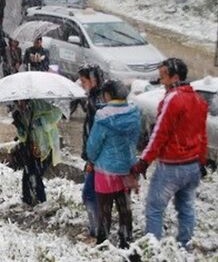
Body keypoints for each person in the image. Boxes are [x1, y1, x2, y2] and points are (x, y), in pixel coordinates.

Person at [131, 58, 208, 248]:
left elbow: (159, 133)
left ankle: (153, 250)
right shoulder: (198, 99)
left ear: (175, 77)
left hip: (171, 167)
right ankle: (185, 247)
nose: (160, 80)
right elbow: (201, 134)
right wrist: (201, 160)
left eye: (163, 76)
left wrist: (144, 161)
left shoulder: (173, 98)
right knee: (186, 207)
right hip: (192, 166)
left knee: (155, 208)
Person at [86, 80, 140, 248]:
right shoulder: (134, 113)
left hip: (106, 170)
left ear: (108, 95)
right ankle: (126, 240)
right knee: (124, 208)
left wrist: (91, 160)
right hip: (127, 168)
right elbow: (135, 139)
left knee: (105, 209)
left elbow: (94, 145)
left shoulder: (103, 117)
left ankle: (103, 242)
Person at [13, 100, 62, 206]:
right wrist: (20, 128)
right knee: (27, 175)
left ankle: (41, 202)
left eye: (20, 102)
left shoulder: (40, 104)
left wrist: (42, 121)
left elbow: (58, 113)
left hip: (47, 147)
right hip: (32, 149)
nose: (19, 105)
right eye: (17, 103)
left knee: (35, 174)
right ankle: (28, 200)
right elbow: (23, 137)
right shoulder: (19, 113)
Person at [78, 64, 105, 237]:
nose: (81, 84)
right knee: (96, 194)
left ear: (93, 80)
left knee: (89, 194)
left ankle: (97, 230)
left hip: (97, 157)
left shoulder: (97, 103)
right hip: (98, 156)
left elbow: (97, 133)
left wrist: (91, 159)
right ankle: (97, 228)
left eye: (83, 81)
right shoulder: (96, 98)